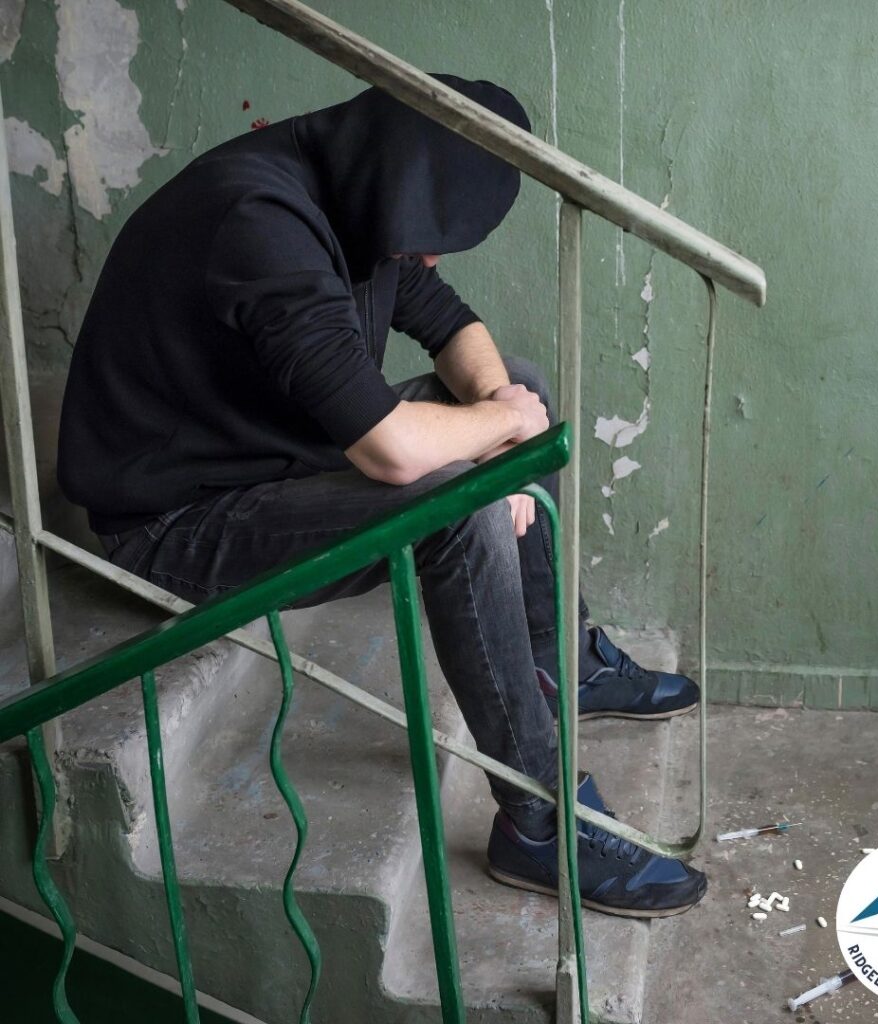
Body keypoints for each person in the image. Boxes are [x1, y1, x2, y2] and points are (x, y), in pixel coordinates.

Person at [56, 75, 707, 918]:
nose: (429, 256)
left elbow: (450, 326)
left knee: (520, 388)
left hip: (274, 457)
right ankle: (537, 820)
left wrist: (501, 418)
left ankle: (554, 662)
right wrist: (495, 444)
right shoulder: (259, 227)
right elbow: (396, 452)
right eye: (425, 237)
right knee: (460, 506)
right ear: (395, 188)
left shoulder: (354, 191)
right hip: (177, 522)